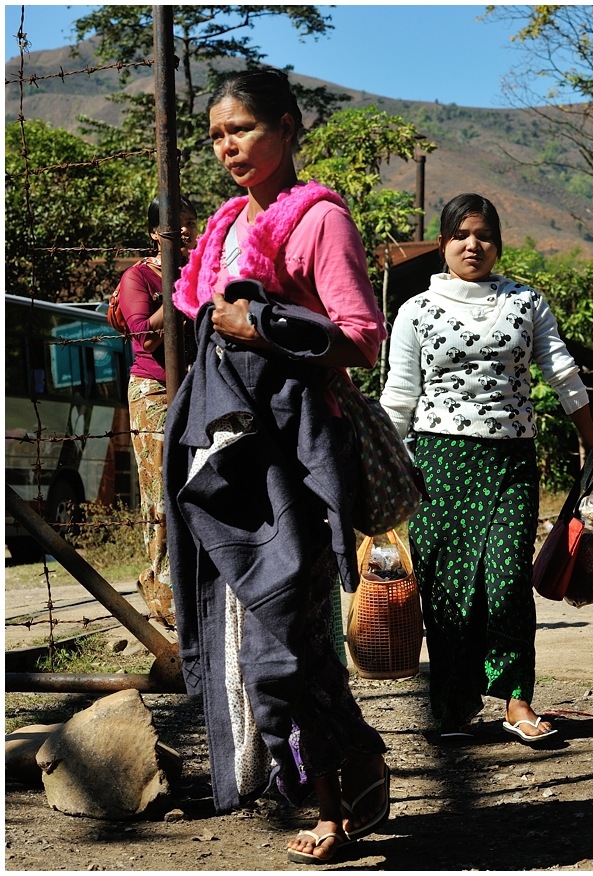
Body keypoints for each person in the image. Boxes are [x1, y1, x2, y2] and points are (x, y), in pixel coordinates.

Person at [163, 68, 390, 866]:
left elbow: (361, 336)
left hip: (294, 458)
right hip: (230, 460)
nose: (229, 146)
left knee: (285, 642)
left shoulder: (319, 220)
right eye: (218, 133)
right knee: (265, 640)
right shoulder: (224, 227)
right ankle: (345, 766)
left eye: (244, 129)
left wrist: (259, 323)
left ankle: (333, 803)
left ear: (287, 127)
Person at [379, 192, 593, 745]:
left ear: (499, 244)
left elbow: (561, 370)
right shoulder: (416, 311)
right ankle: (452, 705)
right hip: (437, 463)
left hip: (510, 460)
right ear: (443, 243)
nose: (473, 245)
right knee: (445, 588)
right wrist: (384, 474)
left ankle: (517, 701)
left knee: (508, 580)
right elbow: (398, 397)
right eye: (462, 235)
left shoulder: (525, 303)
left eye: (484, 235)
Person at [118, 195, 198, 627]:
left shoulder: (196, 271)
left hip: (194, 389)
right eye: (175, 224)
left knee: (195, 490)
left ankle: (191, 588)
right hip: (153, 392)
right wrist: (181, 294)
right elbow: (142, 334)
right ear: (153, 232)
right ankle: (164, 594)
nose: (185, 230)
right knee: (161, 494)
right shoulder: (138, 276)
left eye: (190, 222)